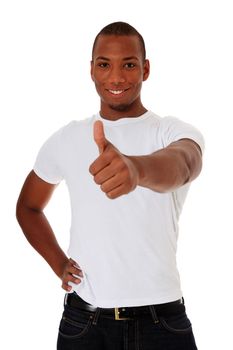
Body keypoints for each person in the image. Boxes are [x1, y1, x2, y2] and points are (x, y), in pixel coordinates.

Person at [16, 21, 204, 350]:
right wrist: (59, 263)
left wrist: (136, 169)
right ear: (91, 70)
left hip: (163, 322)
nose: (116, 78)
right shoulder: (67, 138)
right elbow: (28, 207)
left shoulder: (170, 131)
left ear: (145, 69)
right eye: (105, 64)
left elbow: (185, 163)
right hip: (85, 324)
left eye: (128, 65)